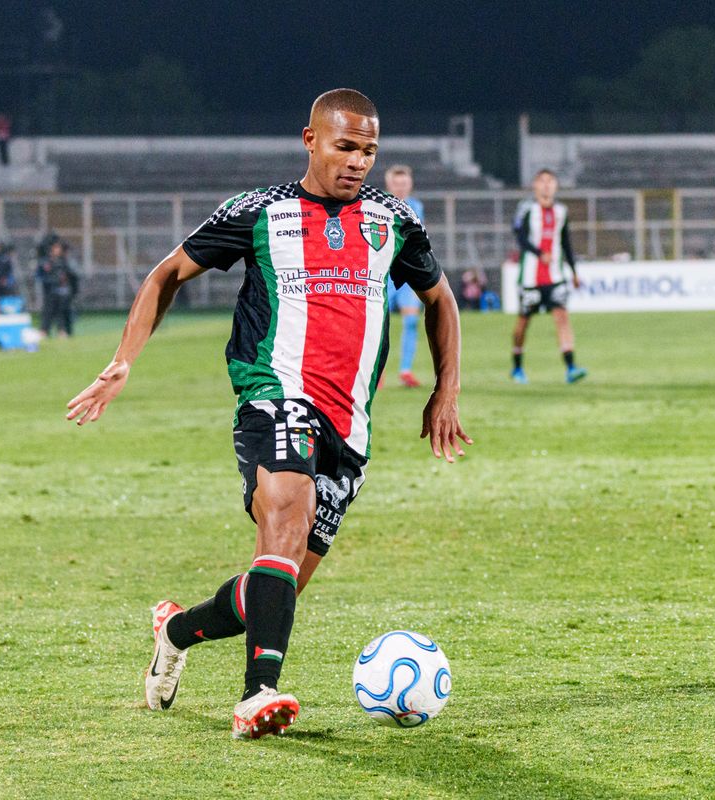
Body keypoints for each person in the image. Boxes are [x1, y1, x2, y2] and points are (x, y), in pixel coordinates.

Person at [65, 89, 470, 741]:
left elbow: (440, 299)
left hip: (350, 428)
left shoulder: (392, 221)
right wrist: (123, 359)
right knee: (285, 513)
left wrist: (446, 389)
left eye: (368, 150)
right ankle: (259, 695)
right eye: (345, 146)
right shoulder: (260, 211)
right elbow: (169, 273)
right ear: (311, 140)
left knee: (275, 586)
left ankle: (175, 632)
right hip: (274, 395)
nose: (358, 161)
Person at [510, 168, 586, 384]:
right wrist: (538, 253)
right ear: (535, 185)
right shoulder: (526, 209)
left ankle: (571, 367)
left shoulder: (561, 211)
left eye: (550, 181)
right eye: (542, 181)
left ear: (556, 186)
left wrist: (574, 272)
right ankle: (517, 367)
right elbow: (520, 237)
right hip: (530, 278)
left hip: (555, 276)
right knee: (524, 322)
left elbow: (566, 243)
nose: (546, 185)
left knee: (562, 317)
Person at [383, 165, 426, 387]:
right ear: (389, 184)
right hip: (384, 273)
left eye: (404, 183)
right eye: (396, 183)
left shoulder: (416, 207)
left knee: (411, 321)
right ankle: (377, 372)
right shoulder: (379, 206)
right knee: (379, 324)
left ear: (410, 184)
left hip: (408, 274)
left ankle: (405, 370)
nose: (400, 187)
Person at [37, 240, 79, 337]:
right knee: (48, 311)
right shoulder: (46, 261)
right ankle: (44, 331)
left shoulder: (63, 261)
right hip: (50, 290)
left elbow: (70, 275)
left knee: (61, 311)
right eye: (56, 248)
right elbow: (41, 275)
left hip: (61, 291)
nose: (58, 250)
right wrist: (51, 280)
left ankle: (62, 330)